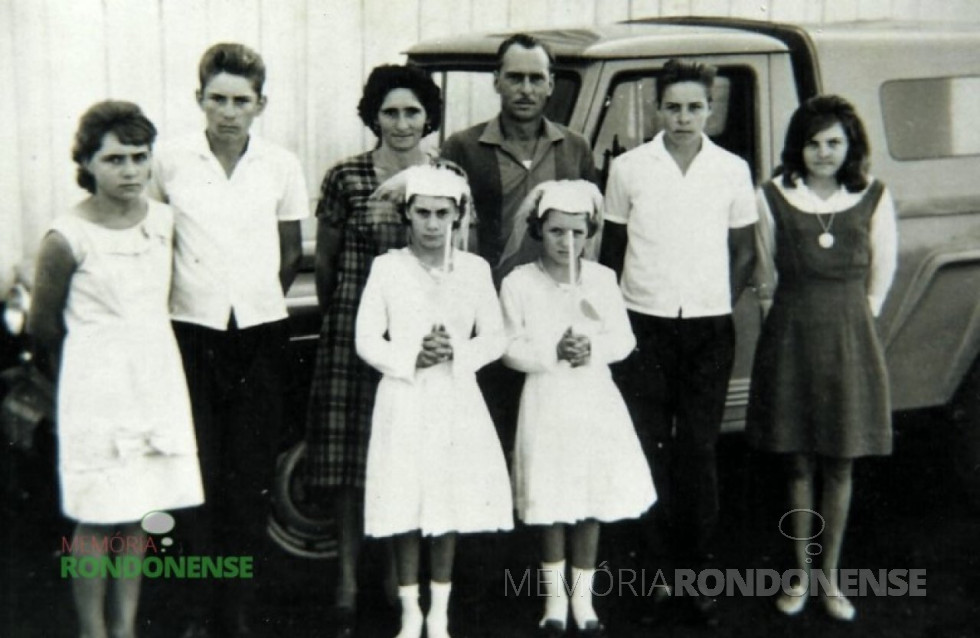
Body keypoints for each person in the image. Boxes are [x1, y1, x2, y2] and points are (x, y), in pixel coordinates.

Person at [148, 43, 310, 636]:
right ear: (200, 99)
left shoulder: (281, 164)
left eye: (242, 100)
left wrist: (255, 303)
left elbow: (291, 251)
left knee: (247, 480)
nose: (228, 111)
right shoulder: (170, 161)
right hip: (190, 335)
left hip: (260, 339)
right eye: (217, 98)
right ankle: (194, 610)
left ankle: (236, 611)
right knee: (197, 477)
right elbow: (156, 242)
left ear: (260, 104)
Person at [29, 101, 204, 638]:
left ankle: (124, 628)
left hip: (153, 378)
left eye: (139, 157)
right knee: (96, 510)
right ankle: (92, 630)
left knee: (137, 510)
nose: (130, 170)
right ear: (87, 163)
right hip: (94, 387)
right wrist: (78, 383)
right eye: (114, 159)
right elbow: (43, 327)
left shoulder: (166, 222)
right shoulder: (67, 237)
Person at [302, 64, 464, 635]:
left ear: (428, 117)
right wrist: (346, 318)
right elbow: (326, 265)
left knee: (415, 459)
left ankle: (404, 591)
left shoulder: (447, 176)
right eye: (390, 112)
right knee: (352, 465)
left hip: (423, 342)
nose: (401, 123)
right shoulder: (346, 176)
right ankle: (348, 585)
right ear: (373, 115)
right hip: (356, 334)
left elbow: (460, 263)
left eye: (412, 112)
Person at [601, 58, 757, 625]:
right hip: (643, 324)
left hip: (709, 330)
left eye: (695, 107)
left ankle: (697, 575)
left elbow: (744, 252)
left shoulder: (732, 170)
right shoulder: (630, 168)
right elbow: (612, 252)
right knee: (649, 447)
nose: (684, 117)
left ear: (709, 109)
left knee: (697, 449)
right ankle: (655, 574)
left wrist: (718, 298)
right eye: (673, 106)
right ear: (657, 108)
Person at [746, 95, 897, 622]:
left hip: (849, 340)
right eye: (813, 143)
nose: (824, 153)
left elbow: (882, 275)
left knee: (840, 461)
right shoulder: (772, 196)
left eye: (835, 142)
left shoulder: (874, 196)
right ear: (798, 147)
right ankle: (800, 576)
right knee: (798, 461)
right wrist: (780, 325)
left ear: (850, 145)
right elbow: (765, 276)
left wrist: (856, 323)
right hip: (791, 337)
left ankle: (831, 579)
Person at [356, 165, 512, 638]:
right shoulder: (387, 267)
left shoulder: (473, 269)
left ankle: (439, 611)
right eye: (421, 212)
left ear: (458, 216)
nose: (431, 223)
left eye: (442, 213)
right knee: (405, 498)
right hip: (404, 397)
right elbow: (366, 338)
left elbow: (497, 336)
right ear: (407, 214)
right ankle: (410, 609)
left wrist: (458, 352)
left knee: (446, 499)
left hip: (454, 399)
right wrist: (411, 356)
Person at [499, 180, 655, 636]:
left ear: (589, 232)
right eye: (556, 232)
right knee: (551, 499)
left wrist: (591, 348)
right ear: (538, 230)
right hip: (546, 402)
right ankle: (554, 603)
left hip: (592, 400)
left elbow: (623, 339)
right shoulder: (519, 282)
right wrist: (552, 351)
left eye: (577, 232)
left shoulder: (602, 279)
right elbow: (509, 347)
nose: (567, 243)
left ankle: (583, 602)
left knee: (588, 498)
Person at [441, 32, 598, 462]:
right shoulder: (463, 147)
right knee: (493, 427)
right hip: (491, 311)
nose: (525, 89)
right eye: (515, 78)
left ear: (551, 84)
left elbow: (588, 232)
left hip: (554, 311)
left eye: (536, 78)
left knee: (553, 431)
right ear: (497, 81)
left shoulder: (575, 147)